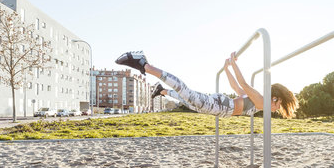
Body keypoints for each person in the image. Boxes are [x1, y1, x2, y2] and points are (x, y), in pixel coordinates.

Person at [115, 51, 298, 118]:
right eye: (279, 105)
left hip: (217, 107)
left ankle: (162, 91)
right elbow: (241, 83)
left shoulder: (257, 100)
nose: (276, 109)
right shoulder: (261, 100)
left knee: (188, 101)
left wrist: (227, 69)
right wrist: (233, 64)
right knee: (185, 91)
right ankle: (144, 64)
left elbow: (236, 87)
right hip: (218, 105)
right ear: (276, 98)